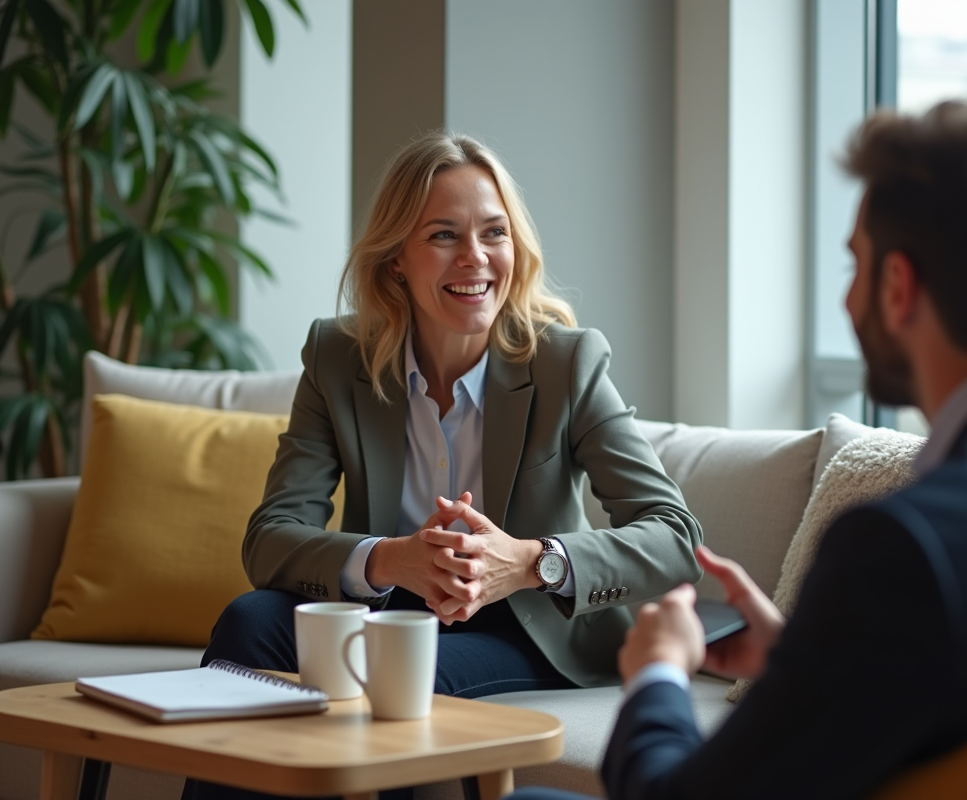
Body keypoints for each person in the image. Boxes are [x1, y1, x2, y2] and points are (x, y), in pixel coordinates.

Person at [510, 98, 967, 800]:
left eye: (855, 267)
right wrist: (805, 662)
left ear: (898, 288)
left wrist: (657, 671)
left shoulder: (909, 545)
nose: (846, 302)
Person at [187, 132, 702, 800]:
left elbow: (674, 534)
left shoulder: (565, 364)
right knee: (249, 622)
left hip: (526, 624)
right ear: (396, 259)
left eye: (495, 233)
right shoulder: (338, 358)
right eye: (443, 236)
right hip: (388, 605)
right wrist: (391, 560)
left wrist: (526, 561)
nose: (476, 258)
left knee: (399, 671)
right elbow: (271, 537)